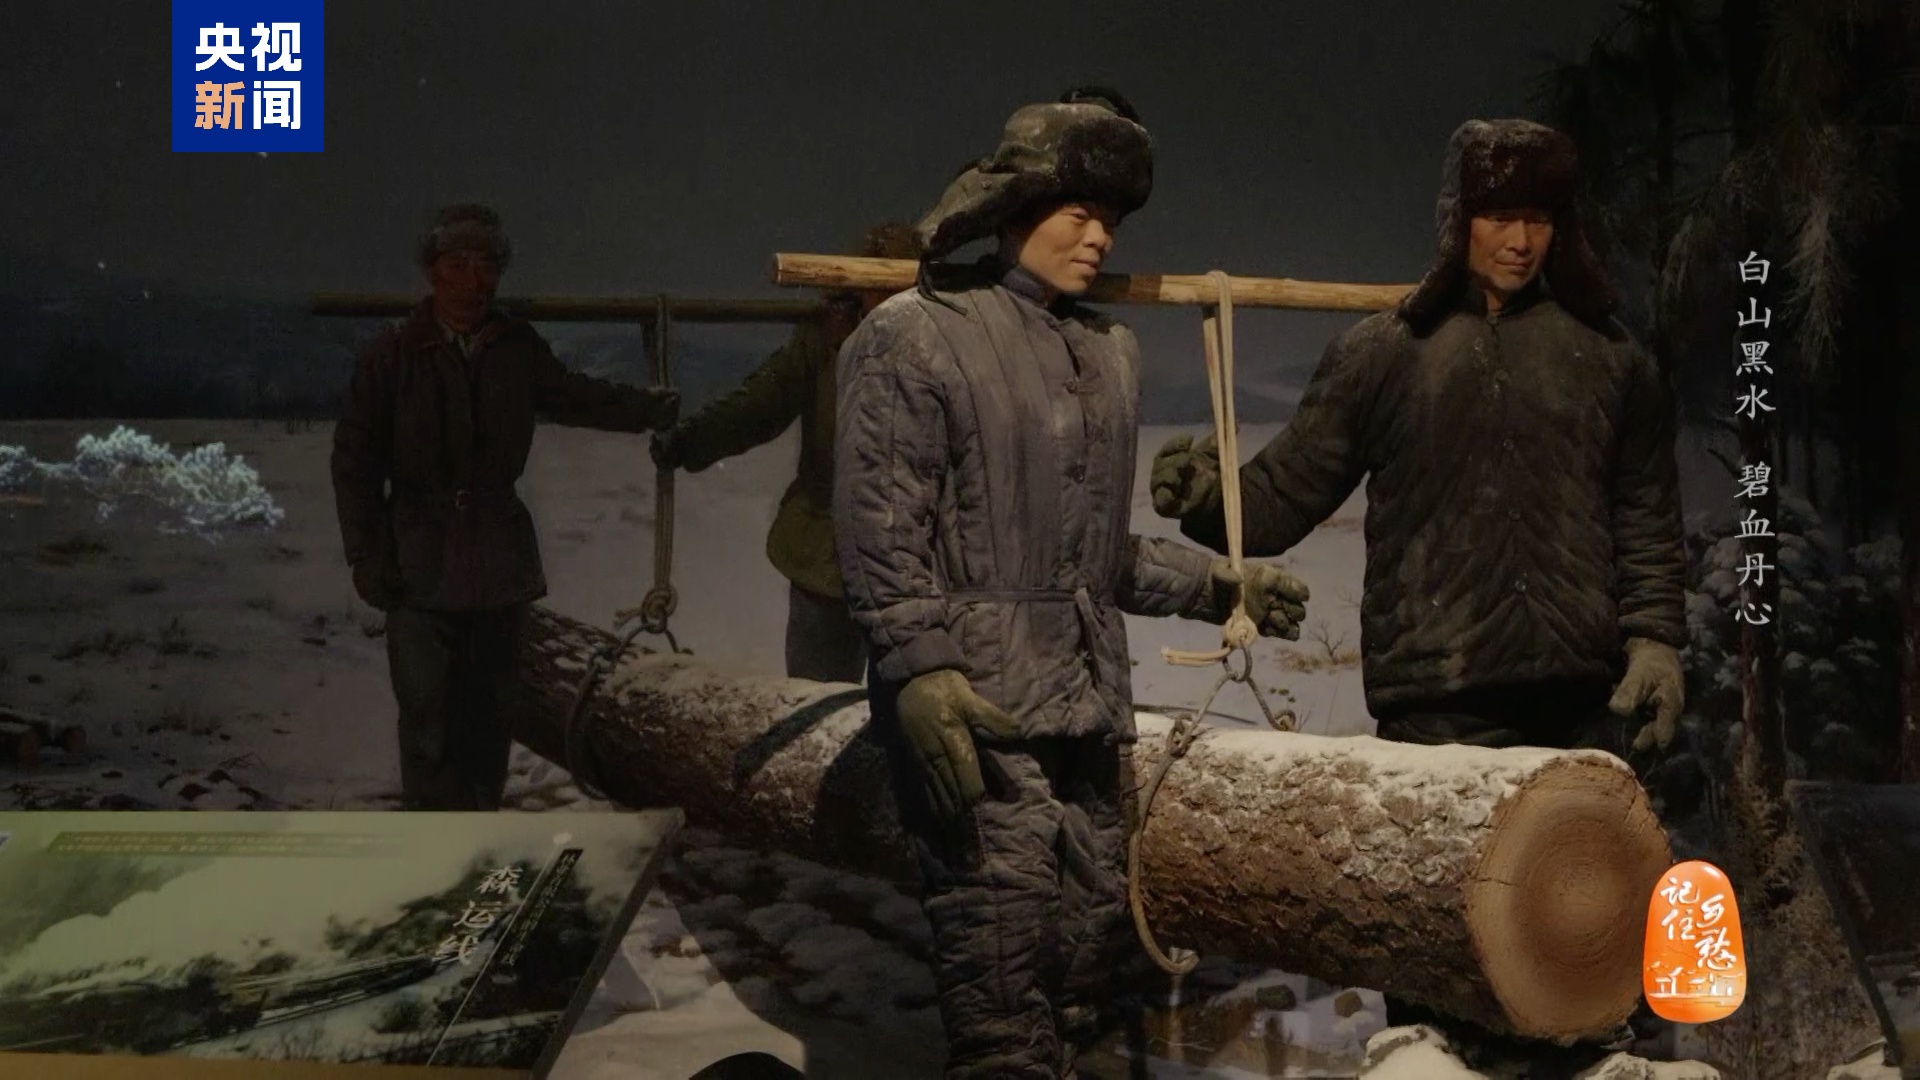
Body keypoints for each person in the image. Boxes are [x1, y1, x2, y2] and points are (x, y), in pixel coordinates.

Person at [1149, 118, 1688, 1058]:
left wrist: (1655, 640)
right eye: (1498, 217)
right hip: (1436, 708)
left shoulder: (1609, 359)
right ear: (1457, 221)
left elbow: (1645, 515)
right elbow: (1285, 494)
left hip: (1578, 700)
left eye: (1538, 218)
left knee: (1585, 970)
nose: (1519, 240)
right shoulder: (1384, 353)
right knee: (1439, 976)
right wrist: (1207, 500)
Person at [834, 87, 1312, 1080]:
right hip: (979, 709)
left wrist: (1220, 585)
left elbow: (1097, 555)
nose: (1100, 239)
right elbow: (882, 522)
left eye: (1114, 222)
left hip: (1090, 712)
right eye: (1081, 214)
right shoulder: (916, 334)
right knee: (1000, 971)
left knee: (1089, 963)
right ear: (1013, 208)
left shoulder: (1105, 354)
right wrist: (917, 668)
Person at [330, 203, 679, 811]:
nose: (473, 281)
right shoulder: (393, 355)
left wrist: (645, 410)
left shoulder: (516, 348)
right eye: (457, 264)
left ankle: (480, 839)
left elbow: (574, 396)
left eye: (486, 266)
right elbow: (354, 461)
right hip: (418, 568)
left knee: (490, 722)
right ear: (432, 272)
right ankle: (434, 849)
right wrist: (366, 554)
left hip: (497, 566)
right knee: (427, 724)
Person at [649, 222, 924, 684]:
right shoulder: (825, 342)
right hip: (828, 554)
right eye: (878, 286)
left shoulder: (942, 345)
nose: (889, 300)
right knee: (816, 698)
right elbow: (763, 404)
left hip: (912, 562)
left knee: (909, 703)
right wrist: (690, 441)